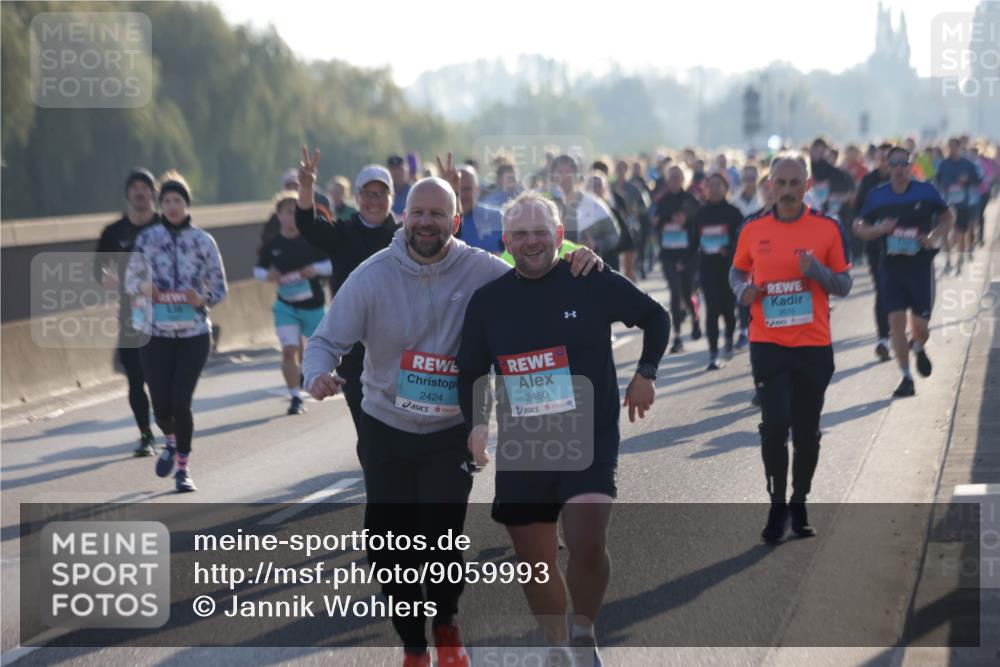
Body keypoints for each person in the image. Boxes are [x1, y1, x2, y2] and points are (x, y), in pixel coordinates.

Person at [301, 153, 603, 667]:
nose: (425, 223)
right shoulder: (372, 276)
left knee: (440, 539)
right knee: (388, 546)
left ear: (455, 221)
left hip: (450, 431)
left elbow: (540, 266)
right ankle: (413, 646)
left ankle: (445, 627)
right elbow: (325, 339)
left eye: (437, 214)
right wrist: (318, 375)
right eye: (417, 213)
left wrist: (587, 263)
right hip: (386, 426)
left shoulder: (483, 270)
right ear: (404, 218)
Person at [457, 191, 668, 667]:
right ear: (506, 241)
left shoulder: (588, 278)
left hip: (589, 437)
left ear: (558, 236)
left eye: (540, 232)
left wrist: (646, 373)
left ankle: (584, 630)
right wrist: (476, 424)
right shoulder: (489, 301)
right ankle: (555, 643)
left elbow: (656, 317)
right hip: (525, 446)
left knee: (588, 543)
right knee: (535, 564)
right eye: (521, 234)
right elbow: (469, 369)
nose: (531, 242)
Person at [730, 156, 852, 542]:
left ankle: (799, 500)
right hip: (768, 343)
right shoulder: (753, 229)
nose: (786, 189)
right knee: (774, 427)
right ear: (769, 184)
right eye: (779, 182)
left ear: (807, 184)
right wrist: (741, 291)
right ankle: (776, 505)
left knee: (806, 432)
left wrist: (817, 271)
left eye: (794, 183)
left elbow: (845, 284)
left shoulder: (827, 228)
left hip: (813, 346)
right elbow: (736, 270)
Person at [125, 171, 228, 493]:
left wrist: (203, 298)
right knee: (162, 405)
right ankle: (169, 441)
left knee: (181, 402)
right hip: (154, 333)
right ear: (161, 204)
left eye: (178, 201)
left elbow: (220, 287)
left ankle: (183, 468)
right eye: (167, 201)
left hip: (193, 333)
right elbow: (129, 282)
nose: (172, 206)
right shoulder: (147, 239)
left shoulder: (203, 241)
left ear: (187, 204)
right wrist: (145, 287)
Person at [295, 158, 399, 437]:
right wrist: (306, 188)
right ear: (357, 197)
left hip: (401, 345)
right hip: (354, 349)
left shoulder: (405, 236)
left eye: (381, 194)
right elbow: (308, 224)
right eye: (368, 194)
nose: (374, 201)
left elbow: (447, 237)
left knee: (403, 429)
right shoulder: (343, 234)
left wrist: (451, 191)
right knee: (368, 431)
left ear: (392, 197)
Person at [855, 146, 954, 398]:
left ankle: (918, 346)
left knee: (920, 327)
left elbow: (948, 217)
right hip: (891, 267)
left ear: (910, 166)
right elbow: (859, 226)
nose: (899, 168)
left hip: (920, 267)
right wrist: (879, 229)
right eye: (895, 163)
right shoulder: (878, 196)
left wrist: (934, 236)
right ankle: (906, 378)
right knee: (895, 322)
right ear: (887, 167)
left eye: (904, 163)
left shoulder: (926, 191)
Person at [95, 168, 160, 456]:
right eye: (133, 187)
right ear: (128, 194)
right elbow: (100, 270)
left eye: (144, 187)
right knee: (135, 377)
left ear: (152, 193)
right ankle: (146, 435)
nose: (139, 191)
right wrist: (109, 277)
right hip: (130, 315)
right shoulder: (114, 233)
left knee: (161, 378)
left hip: (165, 315)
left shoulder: (165, 226)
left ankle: (169, 426)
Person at [255, 191, 333, 415]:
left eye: (295, 212)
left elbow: (331, 264)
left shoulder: (311, 239)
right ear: (278, 215)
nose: (291, 216)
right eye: (287, 212)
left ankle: (319, 379)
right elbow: (258, 269)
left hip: (314, 306)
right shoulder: (274, 244)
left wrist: (314, 270)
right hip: (286, 307)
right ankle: (296, 397)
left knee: (322, 351)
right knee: (288, 351)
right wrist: (268, 276)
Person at [693, 173, 744, 369]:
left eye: (718, 185)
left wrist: (729, 248)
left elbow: (741, 239)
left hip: (729, 268)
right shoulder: (700, 213)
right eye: (710, 185)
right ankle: (713, 352)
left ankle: (729, 340)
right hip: (707, 267)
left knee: (728, 310)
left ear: (725, 188)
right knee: (712, 310)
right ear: (705, 189)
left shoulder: (733, 212)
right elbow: (693, 240)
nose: (714, 189)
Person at [852, 143, 894, 361]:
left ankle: (902, 330)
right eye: (881, 158)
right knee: (882, 289)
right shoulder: (868, 182)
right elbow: (858, 211)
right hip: (876, 245)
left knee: (901, 290)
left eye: (890, 158)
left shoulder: (906, 182)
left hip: (902, 246)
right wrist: (860, 225)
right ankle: (883, 339)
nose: (886, 163)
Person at [654, 165, 702, 349]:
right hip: (668, 254)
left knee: (686, 292)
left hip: (688, 254)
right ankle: (677, 337)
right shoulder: (662, 200)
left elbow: (699, 226)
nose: (674, 180)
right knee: (675, 292)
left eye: (677, 177)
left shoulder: (691, 200)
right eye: (671, 176)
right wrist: (660, 222)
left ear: (684, 179)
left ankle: (695, 317)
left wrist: (686, 221)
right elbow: (656, 223)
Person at [934, 137, 980, 274]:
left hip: (963, 204)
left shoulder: (968, 164)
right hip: (947, 204)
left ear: (959, 147)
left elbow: (977, 181)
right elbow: (937, 181)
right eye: (950, 147)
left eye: (954, 147)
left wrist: (967, 180)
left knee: (960, 233)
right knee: (944, 234)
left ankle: (959, 261)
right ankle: (948, 261)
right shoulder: (944, 164)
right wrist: (943, 189)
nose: (952, 149)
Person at [388, 154, 412, 218]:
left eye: (400, 169)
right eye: (393, 169)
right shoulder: (384, 192)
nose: (396, 173)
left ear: (407, 170)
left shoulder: (414, 192)